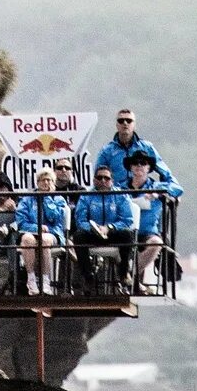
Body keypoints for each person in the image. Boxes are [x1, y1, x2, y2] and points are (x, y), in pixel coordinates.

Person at [70, 164, 141, 292]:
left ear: (112, 181)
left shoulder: (120, 196)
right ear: (94, 180)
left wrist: (110, 227)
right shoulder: (86, 196)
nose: (103, 181)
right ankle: (88, 275)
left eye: (106, 178)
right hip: (93, 233)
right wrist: (93, 228)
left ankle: (124, 272)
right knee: (78, 236)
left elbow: (127, 220)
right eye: (99, 177)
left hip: (112, 234)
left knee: (127, 235)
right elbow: (80, 220)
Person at [124, 150, 183, 291]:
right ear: (131, 167)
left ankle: (130, 273)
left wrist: (157, 194)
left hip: (147, 232)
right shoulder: (121, 188)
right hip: (125, 231)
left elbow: (178, 189)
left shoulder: (156, 187)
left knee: (156, 243)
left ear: (149, 168)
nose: (139, 166)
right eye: (135, 163)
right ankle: (131, 278)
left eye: (143, 163)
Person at [14, 168, 73, 296]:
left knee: (45, 239)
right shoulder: (27, 199)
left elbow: (54, 218)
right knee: (26, 239)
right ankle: (31, 279)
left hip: (53, 233)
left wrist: (46, 199)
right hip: (31, 231)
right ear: (37, 182)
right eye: (43, 180)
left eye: (50, 180)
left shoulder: (59, 199)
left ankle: (46, 281)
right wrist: (37, 228)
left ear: (54, 183)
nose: (46, 183)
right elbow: (21, 222)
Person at [93, 107, 162, 190]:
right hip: (117, 198)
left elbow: (166, 175)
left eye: (129, 120)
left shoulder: (147, 147)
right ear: (116, 125)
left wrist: (171, 194)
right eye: (121, 121)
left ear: (134, 125)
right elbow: (98, 179)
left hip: (143, 195)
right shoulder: (106, 151)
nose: (125, 123)